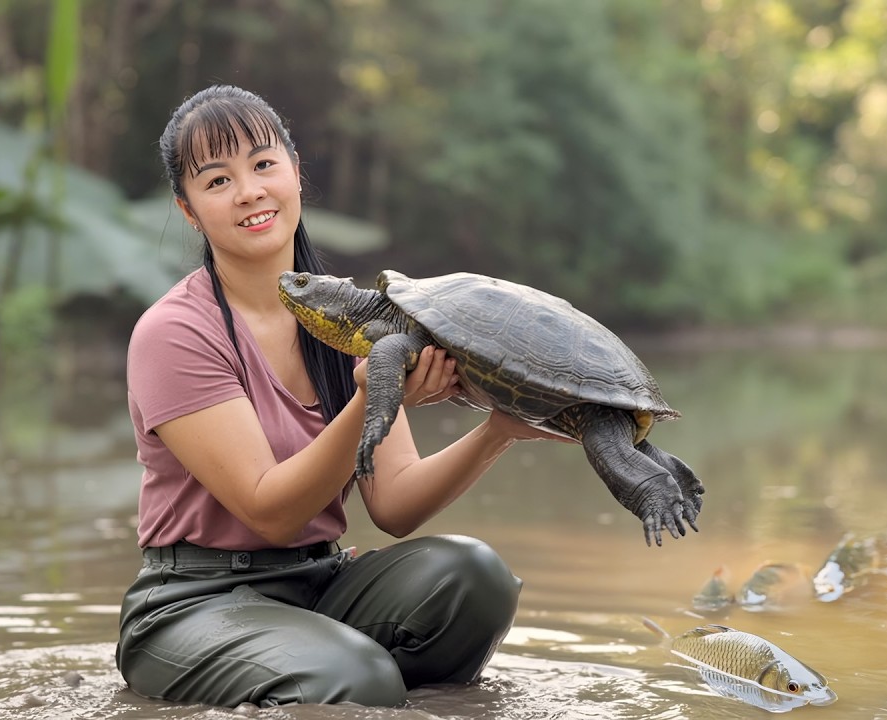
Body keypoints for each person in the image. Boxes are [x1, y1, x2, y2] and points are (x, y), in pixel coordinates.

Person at [117, 84, 564, 708]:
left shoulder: (349, 317)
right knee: (355, 681)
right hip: (194, 603)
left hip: (319, 582)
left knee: (475, 579)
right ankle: (348, 683)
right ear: (189, 210)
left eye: (263, 164)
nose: (248, 191)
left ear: (296, 173)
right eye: (217, 180)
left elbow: (395, 503)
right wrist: (374, 398)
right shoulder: (175, 332)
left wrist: (498, 431)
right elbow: (269, 511)